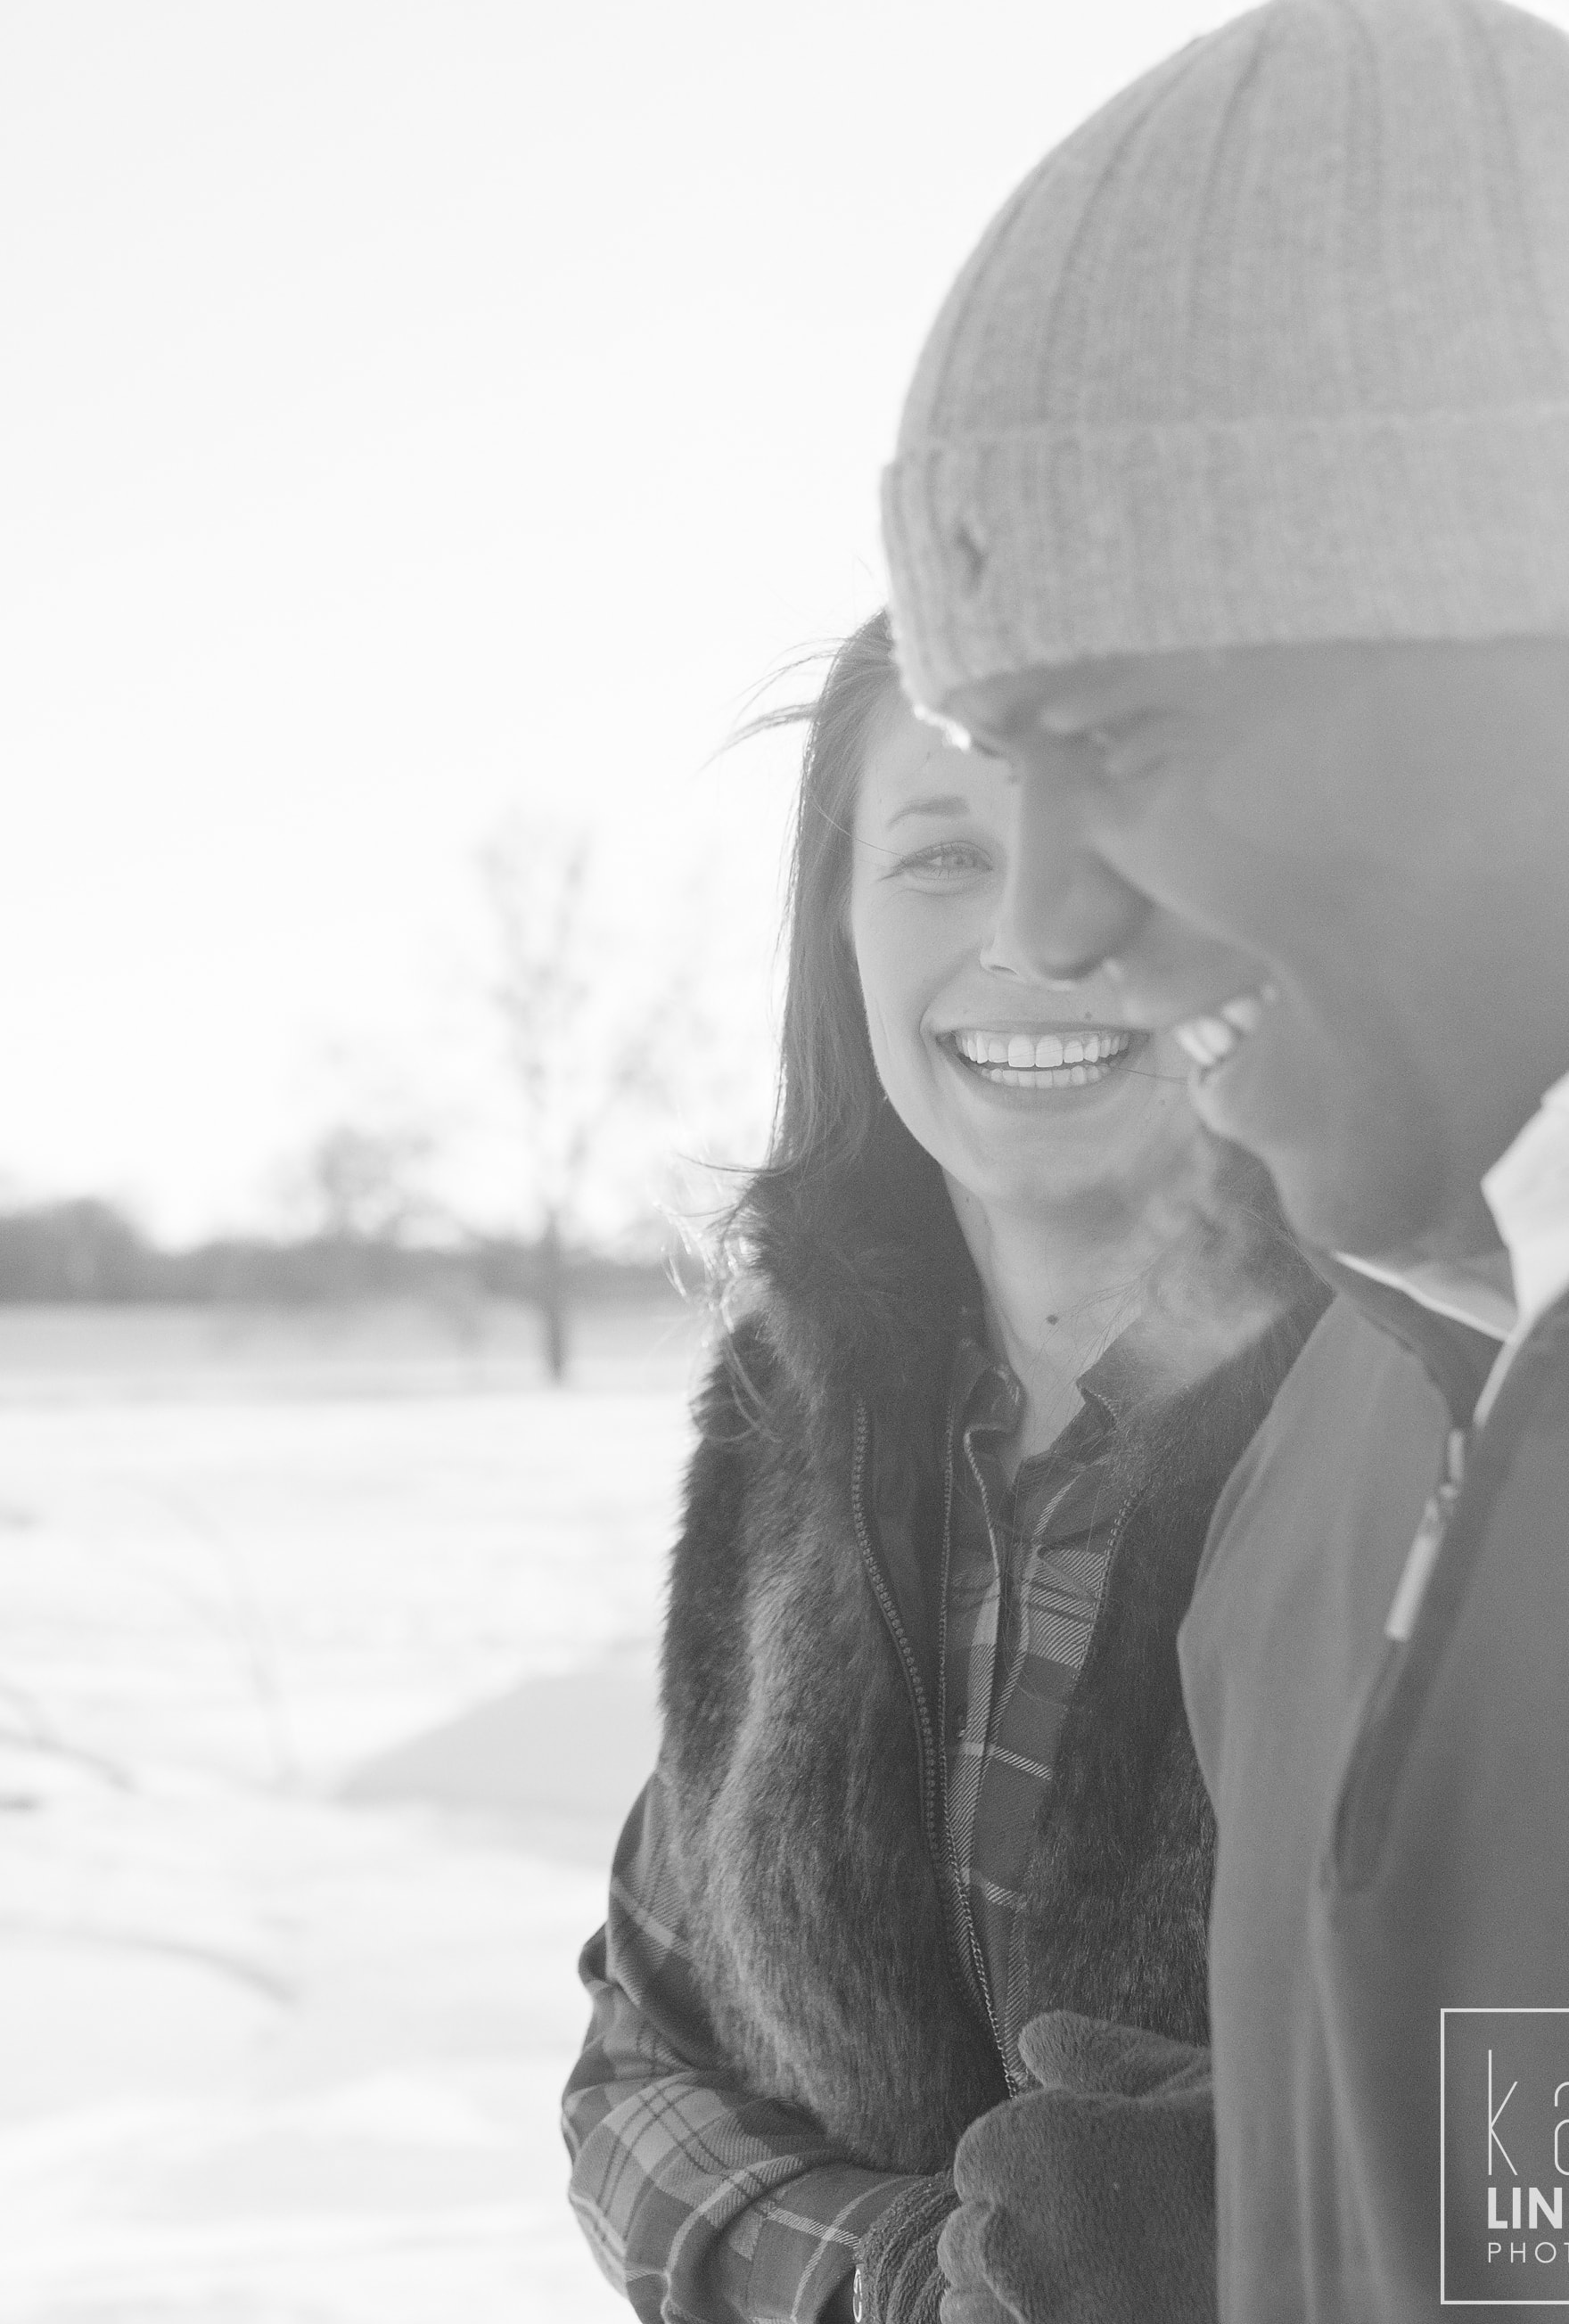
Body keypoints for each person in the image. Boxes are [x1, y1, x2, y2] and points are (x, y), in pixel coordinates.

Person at [877, 0, 1569, 2322]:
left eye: (1125, 733)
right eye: (995, 768)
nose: (1051, 924)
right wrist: (1282, 2213)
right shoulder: (1338, 1432)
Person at [561, 610, 1322, 2324]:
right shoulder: (791, 1416)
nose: (1032, 939)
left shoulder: (1417, 1403)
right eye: (937, 859)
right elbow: (639, 2067)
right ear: (837, 938)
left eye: (1123, 842)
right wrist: (911, 2286)